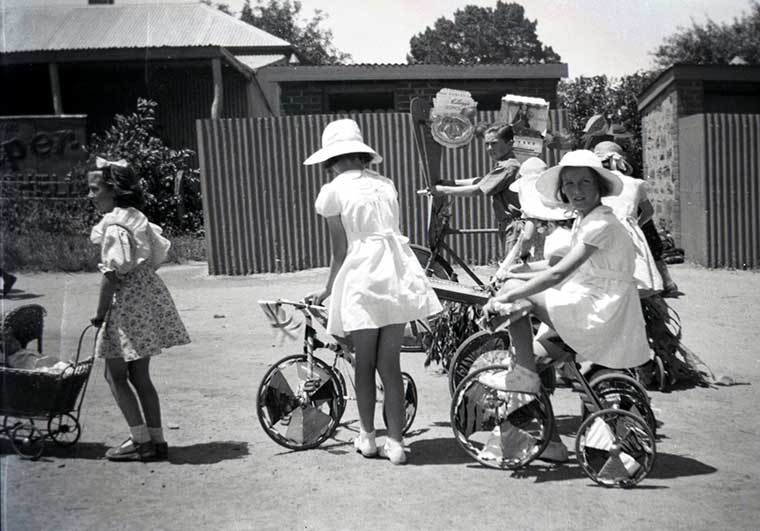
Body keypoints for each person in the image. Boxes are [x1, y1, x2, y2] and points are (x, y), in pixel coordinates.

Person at [482, 150, 650, 461]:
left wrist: (506, 294)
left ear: (599, 186)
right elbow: (561, 264)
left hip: (597, 312)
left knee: (515, 294)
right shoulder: (586, 219)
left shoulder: (601, 223)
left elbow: (560, 272)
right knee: (530, 356)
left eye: (585, 182)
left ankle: (524, 376)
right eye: (569, 184)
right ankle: (552, 442)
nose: (576, 191)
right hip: (592, 305)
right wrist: (524, 269)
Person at [304, 119, 442, 465]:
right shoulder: (385, 184)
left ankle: (367, 437)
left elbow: (340, 252)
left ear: (331, 160)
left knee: (363, 365)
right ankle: (396, 443)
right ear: (361, 154)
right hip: (394, 273)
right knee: (389, 366)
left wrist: (326, 290)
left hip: (362, 275)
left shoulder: (333, 190)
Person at [88, 158, 190, 461]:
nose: (91, 196)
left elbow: (111, 276)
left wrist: (99, 313)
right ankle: (157, 440)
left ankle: (139, 439)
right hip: (145, 299)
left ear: (113, 190)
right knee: (141, 376)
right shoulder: (136, 219)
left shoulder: (113, 226)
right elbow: (155, 256)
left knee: (114, 374)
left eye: (95, 189)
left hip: (126, 304)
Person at [433, 124, 521, 256]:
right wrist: (451, 183)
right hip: (508, 225)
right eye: (487, 144)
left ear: (510, 144)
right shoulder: (506, 164)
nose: (489, 148)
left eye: (494, 144)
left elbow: (477, 190)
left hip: (514, 225)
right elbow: (482, 181)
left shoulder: (509, 166)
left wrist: (443, 189)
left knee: (511, 270)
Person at [594, 141, 663, 296]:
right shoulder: (635, 184)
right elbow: (648, 211)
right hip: (629, 234)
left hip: (601, 231)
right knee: (633, 278)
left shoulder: (596, 184)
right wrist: (634, 224)